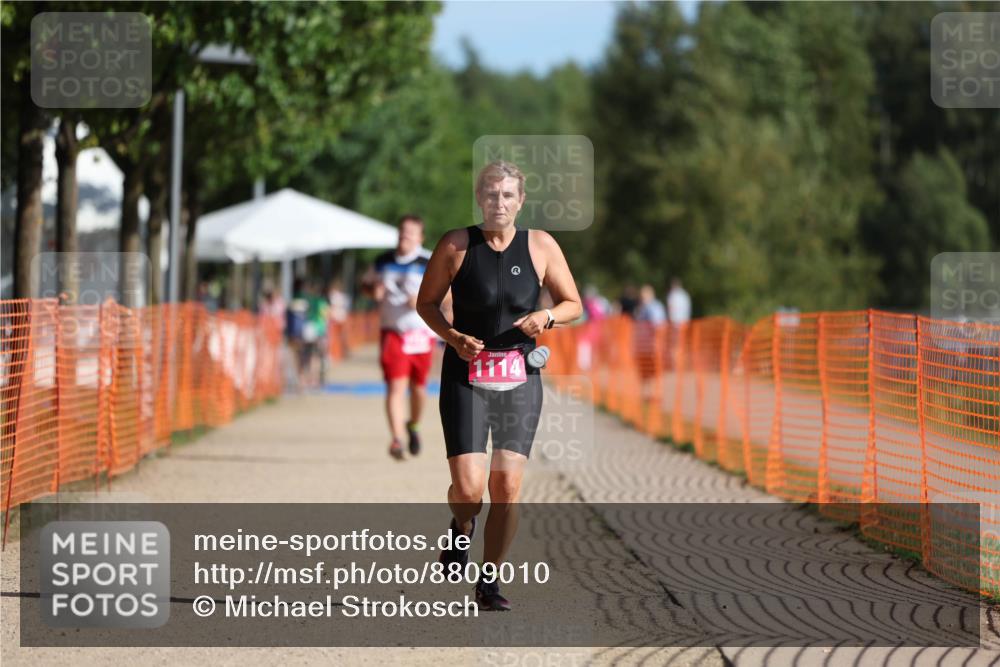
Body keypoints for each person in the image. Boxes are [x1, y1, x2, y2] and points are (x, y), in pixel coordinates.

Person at [416, 160, 582, 611]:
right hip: (466, 375)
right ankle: (461, 526)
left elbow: (573, 304)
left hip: (519, 377)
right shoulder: (455, 244)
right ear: (479, 197)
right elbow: (426, 303)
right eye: (491, 194)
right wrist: (452, 336)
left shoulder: (541, 245)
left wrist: (546, 317)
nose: (499, 203)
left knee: (506, 486)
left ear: (520, 201)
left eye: (508, 195)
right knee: (469, 492)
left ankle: (488, 581)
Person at [361, 215, 436, 460]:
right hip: (392, 331)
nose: (405, 236)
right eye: (402, 232)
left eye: (411, 233)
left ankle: (413, 424)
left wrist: (423, 300)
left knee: (418, 389)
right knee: (395, 386)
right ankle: (396, 439)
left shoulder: (429, 260)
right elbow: (365, 284)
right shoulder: (382, 261)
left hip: (422, 333)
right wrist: (373, 291)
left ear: (420, 237)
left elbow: (448, 294)